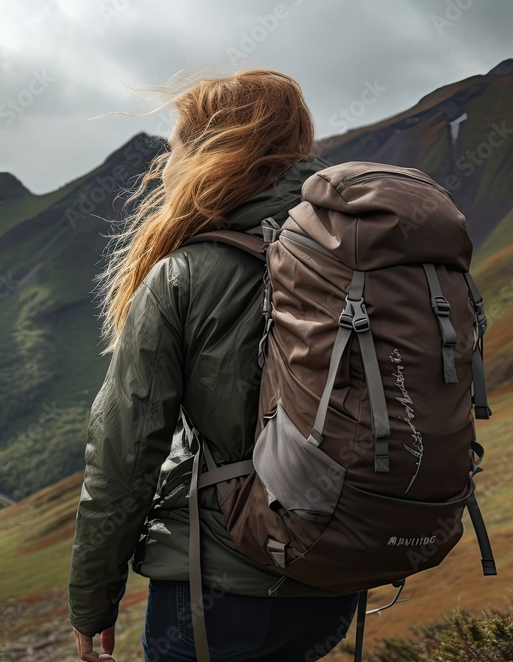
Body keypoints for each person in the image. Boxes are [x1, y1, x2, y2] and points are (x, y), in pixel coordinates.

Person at [68, 69, 360, 661]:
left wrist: (92, 600)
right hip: (336, 572)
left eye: (173, 146)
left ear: (211, 152)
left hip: (222, 583)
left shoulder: (187, 272)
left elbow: (124, 452)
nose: (166, 165)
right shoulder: (356, 256)